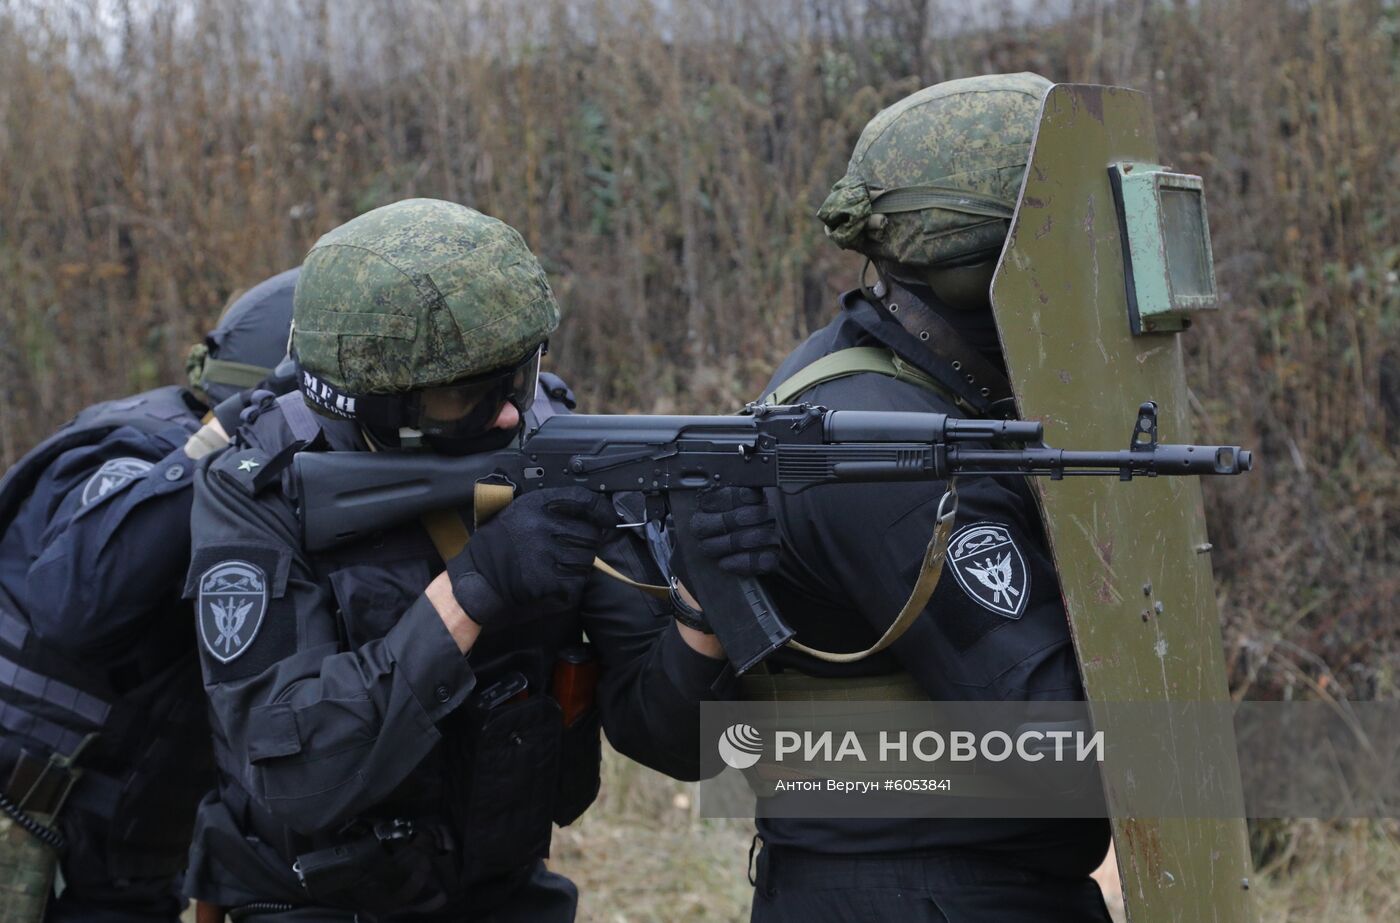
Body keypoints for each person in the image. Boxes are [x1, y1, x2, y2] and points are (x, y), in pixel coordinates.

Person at [182, 198, 766, 921]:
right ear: (371, 405)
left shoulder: (543, 446)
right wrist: (471, 592)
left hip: (502, 893)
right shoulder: (260, 493)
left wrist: (700, 610)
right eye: (468, 395)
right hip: (312, 902)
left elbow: (678, 743)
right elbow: (302, 773)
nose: (512, 415)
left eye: (518, 377)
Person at [742, 74, 1114, 922]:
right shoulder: (886, 452)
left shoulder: (890, 376)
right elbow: (1061, 742)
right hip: (924, 893)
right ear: (989, 272)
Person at [0, 268, 298, 922]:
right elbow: (75, 605)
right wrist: (212, 453)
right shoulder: (142, 447)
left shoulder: (282, 498)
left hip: (120, 866)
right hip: (26, 840)